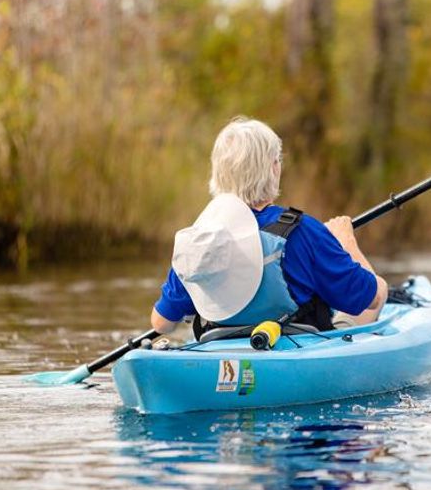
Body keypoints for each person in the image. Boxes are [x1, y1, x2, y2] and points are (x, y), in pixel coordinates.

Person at [151, 117, 388, 336]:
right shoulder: (303, 231)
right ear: (274, 169)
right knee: (382, 289)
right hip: (297, 355)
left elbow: (161, 324)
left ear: (219, 174)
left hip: (220, 350)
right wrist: (346, 242)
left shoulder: (201, 240)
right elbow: (372, 298)